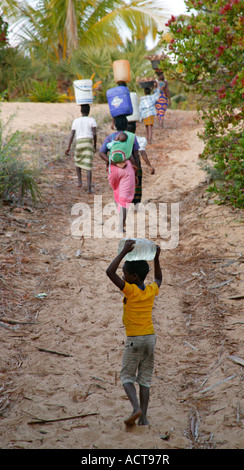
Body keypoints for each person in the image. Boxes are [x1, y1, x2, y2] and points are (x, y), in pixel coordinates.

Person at [106, 239, 162, 426]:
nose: (123, 277)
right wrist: (156, 259)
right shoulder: (151, 290)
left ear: (134, 276)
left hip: (134, 340)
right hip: (150, 339)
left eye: (126, 274)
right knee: (145, 379)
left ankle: (136, 408)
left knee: (127, 378)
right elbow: (159, 279)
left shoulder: (130, 291)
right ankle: (143, 418)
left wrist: (123, 252)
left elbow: (109, 272)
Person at [99, 115, 139, 232]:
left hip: (113, 169)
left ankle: (120, 219)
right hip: (127, 168)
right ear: (126, 125)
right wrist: (136, 172)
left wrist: (112, 162)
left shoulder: (110, 137)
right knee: (125, 198)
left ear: (115, 126)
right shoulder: (132, 137)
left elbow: (101, 153)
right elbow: (136, 155)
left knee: (117, 193)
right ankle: (121, 226)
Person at [65, 104, 97, 194]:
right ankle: (89, 188)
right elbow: (94, 134)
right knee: (88, 166)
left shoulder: (76, 121)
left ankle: (79, 181)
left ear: (81, 111)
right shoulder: (92, 120)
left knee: (78, 161)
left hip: (79, 142)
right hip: (88, 142)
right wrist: (94, 145)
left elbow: (72, 135)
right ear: (89, 111)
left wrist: (68, 147)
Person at [127, 121, 155, 207]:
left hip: (126, 164)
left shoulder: (122, 138)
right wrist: (149, 166)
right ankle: (136, 204)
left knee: (127, 184)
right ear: (135, 129)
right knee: (137, 184)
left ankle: (126, 203)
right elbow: (143, 154)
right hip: (136, 164)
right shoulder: (139, 139)